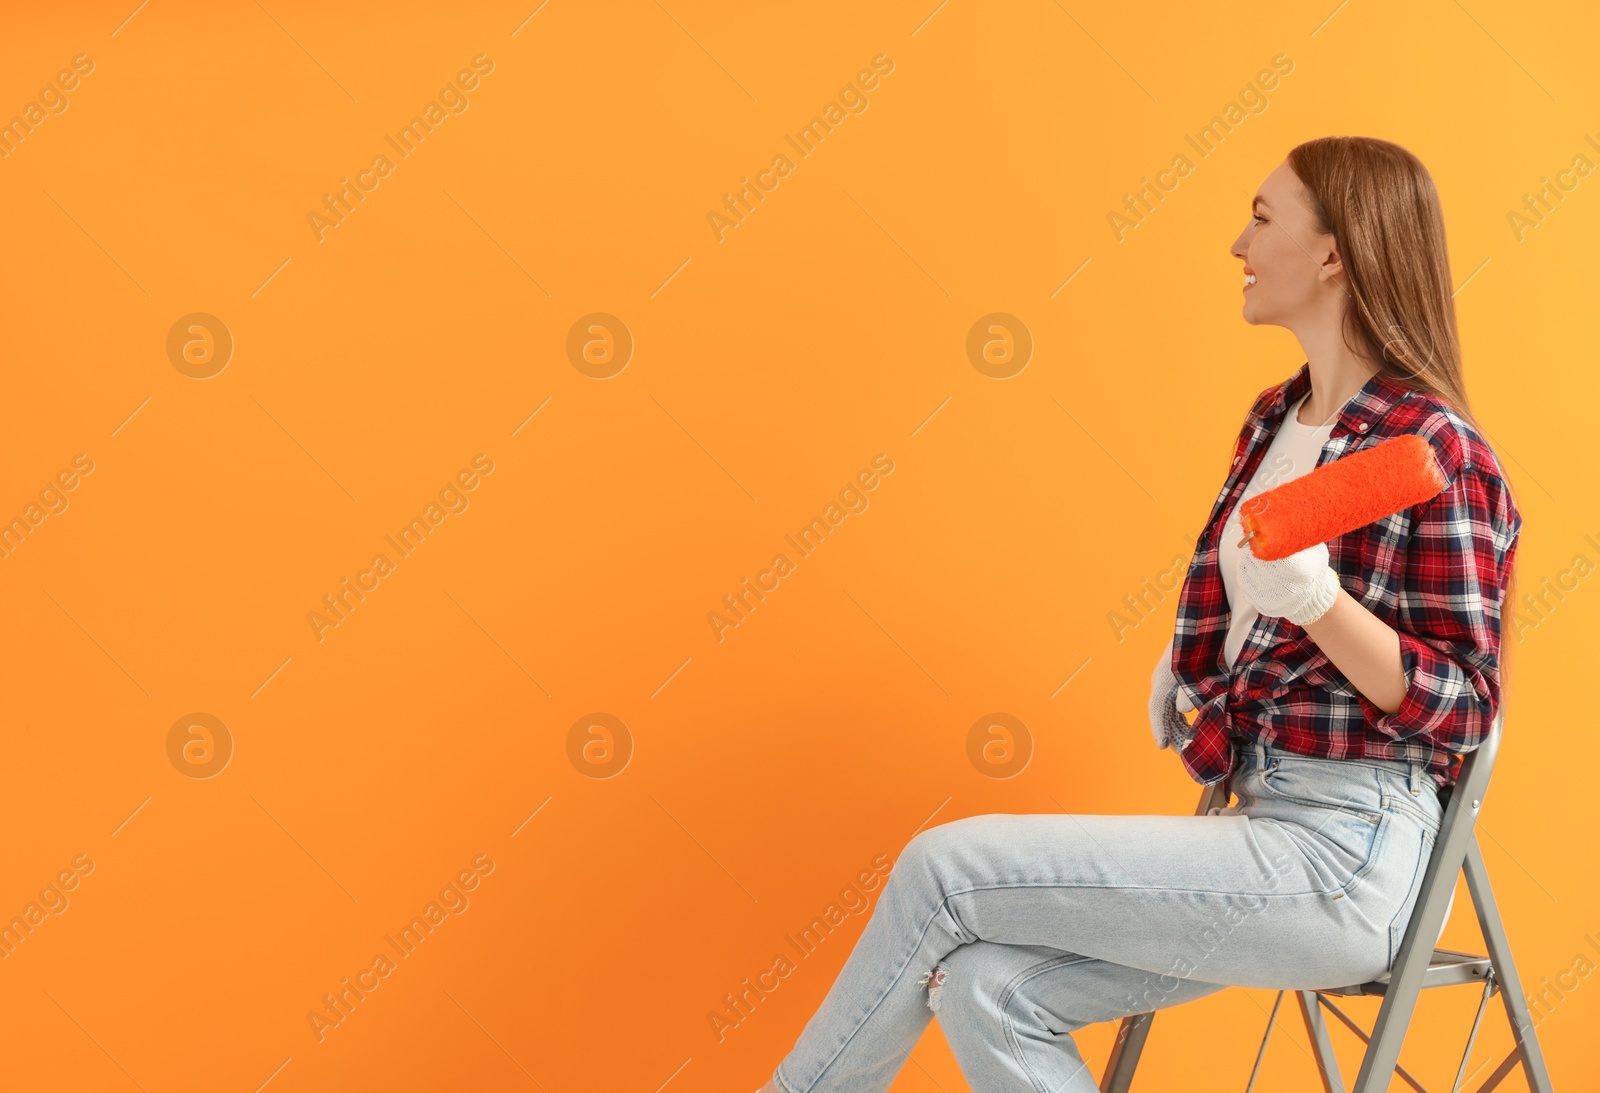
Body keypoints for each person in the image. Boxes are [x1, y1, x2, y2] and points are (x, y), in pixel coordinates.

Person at [752, 136, 1523, 1093]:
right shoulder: (1276, 421)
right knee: (988, 986)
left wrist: (1322, 604)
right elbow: (1249, 612)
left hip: (1347, 855)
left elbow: (1468, 705)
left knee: (940, 870)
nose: (1237, 244)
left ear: (1333, 252)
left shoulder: (1438, 449)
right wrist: (1204, 666)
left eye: (1263, 217)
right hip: (1259, 818)